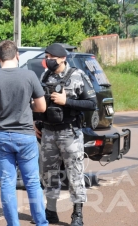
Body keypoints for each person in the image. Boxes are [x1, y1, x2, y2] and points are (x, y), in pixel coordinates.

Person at [0, 40, 48, 226]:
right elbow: (41, 106)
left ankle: (13, 224)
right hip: (25, 135)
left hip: (0, 135)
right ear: (17, 55)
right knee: (32, 182)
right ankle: (41, 222)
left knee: (7, 182)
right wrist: (27, 105)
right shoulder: (30, 75)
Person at [33, 43, 97, 226]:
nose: (48, 60)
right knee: (48, 174)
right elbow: (38, 101)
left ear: (62, 58)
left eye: (51, 57)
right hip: (48, 133)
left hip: (70, 133)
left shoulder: (77, 75)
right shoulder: (45, 75)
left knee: (74, 173)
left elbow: (91, 103)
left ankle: (77, 215)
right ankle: (51, 212)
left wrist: (66, 101)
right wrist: (35, 121)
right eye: (46, 57)